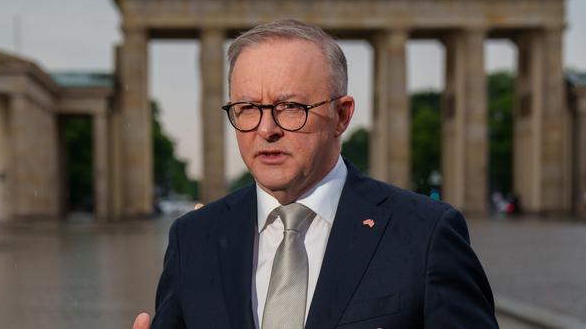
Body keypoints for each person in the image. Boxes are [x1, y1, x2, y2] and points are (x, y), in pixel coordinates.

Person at [134, 19, 498, 329]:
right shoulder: (192, 238)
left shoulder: (426, 235)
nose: (266, 129)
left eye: (290, 107)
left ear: (342, 115)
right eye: (247, 108)